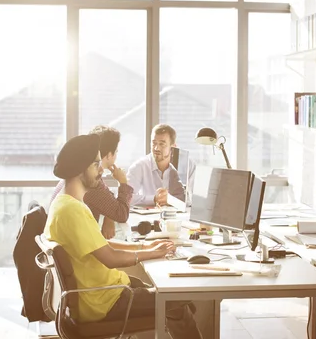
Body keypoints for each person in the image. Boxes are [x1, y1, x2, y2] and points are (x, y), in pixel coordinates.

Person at [44, 134, 202, 338]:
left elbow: (102, 245)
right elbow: (109, 258)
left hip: (104, 292)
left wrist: (145, 248)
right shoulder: (72, 210)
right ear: (80, 168)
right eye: (96, 164)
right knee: (179, 298)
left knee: (178, 300)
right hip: (105, 301)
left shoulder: (64, 203)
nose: (101, 169)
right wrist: (148, 254)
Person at [50, 126, 133, 239]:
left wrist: (109, 217)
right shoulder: (89, 182)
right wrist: (123, 182)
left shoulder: (75, 173)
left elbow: (108, 202)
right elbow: (121, 214)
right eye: (116, 152)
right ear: (109, 155)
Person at [127, 124, 186, 207]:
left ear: (173, 147)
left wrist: (170, 200)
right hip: (146, 218)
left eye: (162, 144)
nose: (156, 148)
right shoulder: (139, 166)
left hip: (175, 218)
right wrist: (154, 199)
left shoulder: (181, 167)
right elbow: (126, 198)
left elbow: (187, 201)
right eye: (154, 143)